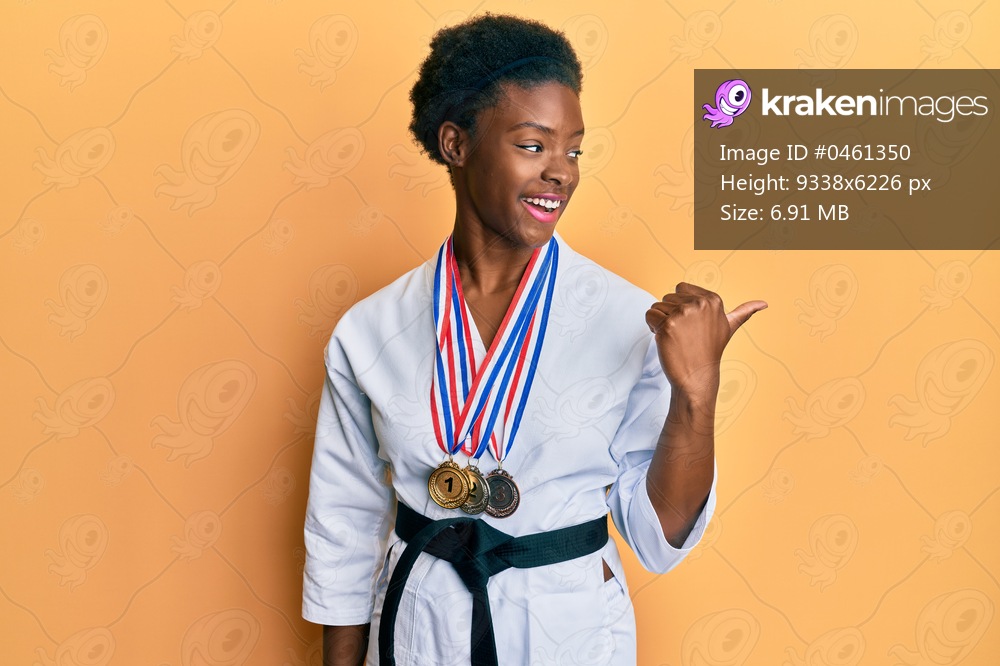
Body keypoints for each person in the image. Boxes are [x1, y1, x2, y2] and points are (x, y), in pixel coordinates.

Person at [302, 14, 766, 666]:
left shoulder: (631, 321)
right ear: (456, 144)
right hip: (418, 627)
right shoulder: (371, 329)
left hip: (570, 631)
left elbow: (658, 538)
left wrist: (696, 395)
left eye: (573, 151)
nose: (561, 173)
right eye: (532, 145)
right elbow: (343, 522)